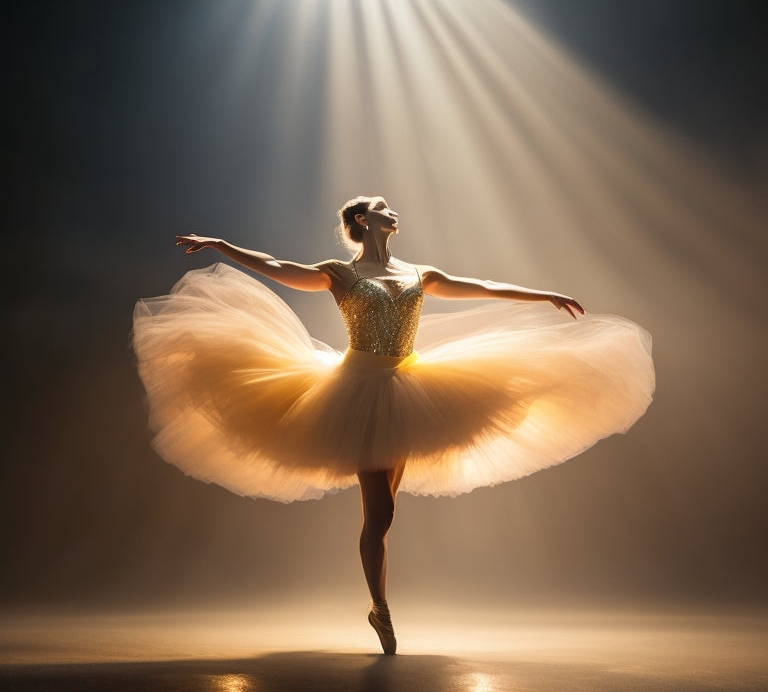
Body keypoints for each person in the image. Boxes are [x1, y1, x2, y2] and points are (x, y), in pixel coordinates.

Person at [133, 195, 654, 655]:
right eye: (381, 205)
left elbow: (484, 286)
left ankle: (377, 603)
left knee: (385, 516)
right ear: (363, 219)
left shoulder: (418, 274)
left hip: (410, 388)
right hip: (356, 392)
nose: (391, 209)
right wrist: (221, 243)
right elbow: (276, 265)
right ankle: (380, 606)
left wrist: (542, 295)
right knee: (379, 512)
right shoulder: (339, 273)